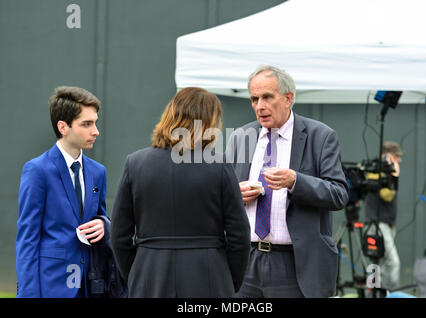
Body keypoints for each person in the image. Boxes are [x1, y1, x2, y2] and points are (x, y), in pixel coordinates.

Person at [110, 87, 250, 298]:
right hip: (208, 275)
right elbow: (239, 235)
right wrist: (229, 281)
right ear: (209, 122)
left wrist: (138, 273)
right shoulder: (220, 166)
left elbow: (119, 235)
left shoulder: (135, 163)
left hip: (150, 273)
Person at [226, 65, 349, 298]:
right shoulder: (241, 137)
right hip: (245, 262)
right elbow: (222, 194)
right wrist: (234, 194)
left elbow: (339, 194)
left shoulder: (320, 136)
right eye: (254, 99)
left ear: (288, 98)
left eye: (267, 97)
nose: (259, 106)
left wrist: (296, 181)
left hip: (295, 265)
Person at [16, 86, 109, 298]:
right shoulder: (37, 170)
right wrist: (29, 294)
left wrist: (104, 224)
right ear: (63, 127)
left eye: (95, 122)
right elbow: (27, 239)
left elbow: (101, 215)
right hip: (52, 286)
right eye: (86, 124)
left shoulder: (98, 171)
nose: (95, 131)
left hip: (92, 284)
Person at [364, 141, 404, 291]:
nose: (399, 160)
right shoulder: (377, 170)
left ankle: (379, 293)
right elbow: (387, 195)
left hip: (386, 224)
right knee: (389, 263)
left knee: (378, 264)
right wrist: (394, 175)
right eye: (397, 156)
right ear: (388, 155)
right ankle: (389, 294)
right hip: (377, 224)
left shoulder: (385, 171)